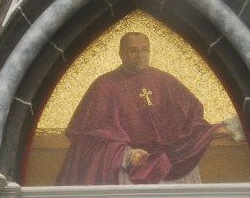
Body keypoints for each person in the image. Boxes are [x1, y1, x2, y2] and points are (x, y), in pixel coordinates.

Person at [55, 32, 233, 185]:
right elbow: (90, 139)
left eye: (145, 50)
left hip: (172, 165)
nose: (140, 55)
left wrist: (210, 131)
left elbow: (191, 118)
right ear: (121, 54)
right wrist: (125, 155)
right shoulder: (104, 86)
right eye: (133, 50)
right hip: (129, 171)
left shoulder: (165, 80)